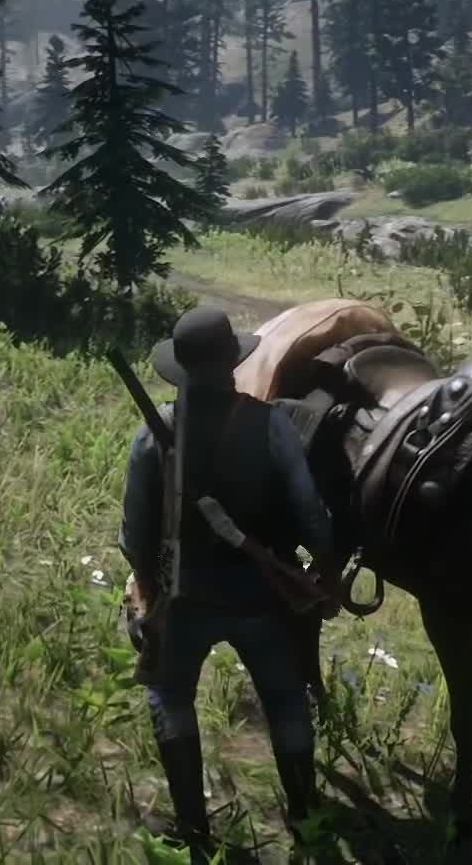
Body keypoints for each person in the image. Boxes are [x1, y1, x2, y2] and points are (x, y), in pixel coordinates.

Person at [120, 306, 338, 862]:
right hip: (263, 595)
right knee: (286, 703)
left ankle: (193, 828)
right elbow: (311, 515)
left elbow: (134, 534)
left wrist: (147, 590)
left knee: (171, 698)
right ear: (231, 362)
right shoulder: (272, 426)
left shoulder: (153, 433)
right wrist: (320, 569)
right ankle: (305, 815)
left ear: (181, 368)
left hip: (183, 597)